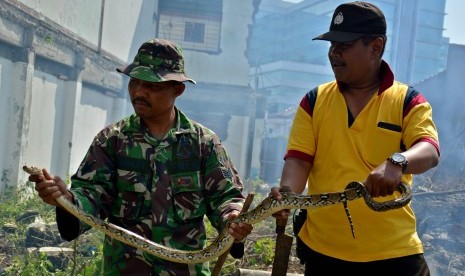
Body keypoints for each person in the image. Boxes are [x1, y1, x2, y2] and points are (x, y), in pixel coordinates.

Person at [28, 38, 252, 275]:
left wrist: (233, 219)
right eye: (134, 82)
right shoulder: (112, 141)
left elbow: (226, 197)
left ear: (178, 89)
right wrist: (67, 202)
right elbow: (91, 194)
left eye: (152, 86)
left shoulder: (202, 143)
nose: (139, 92)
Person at [271, 2, 440, 275]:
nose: (334, 53)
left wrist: (397, 162)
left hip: (394, 255)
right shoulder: (314, 101)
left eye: (344, 45)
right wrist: (287, 194)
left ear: (376, 46)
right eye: (332, 45)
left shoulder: (407, 100)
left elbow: (429, 150)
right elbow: (299, 161)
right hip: (323, 254)